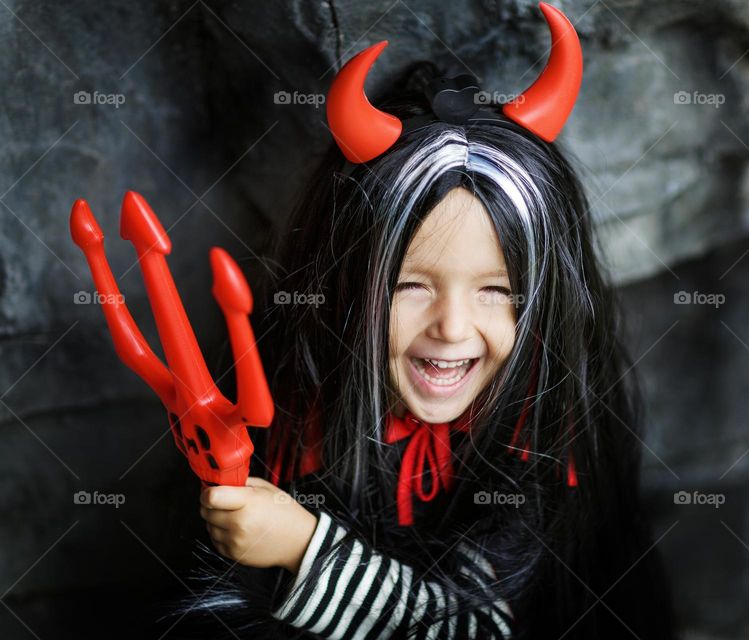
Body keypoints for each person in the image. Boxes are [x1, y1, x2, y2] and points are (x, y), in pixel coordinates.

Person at [172, 4, 676, 638]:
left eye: (498, 290)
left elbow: (475, 626)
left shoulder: (542, 442)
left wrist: (306, 549)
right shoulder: (295, 403)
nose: (453, 327)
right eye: (410, 285)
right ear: (342, 285)